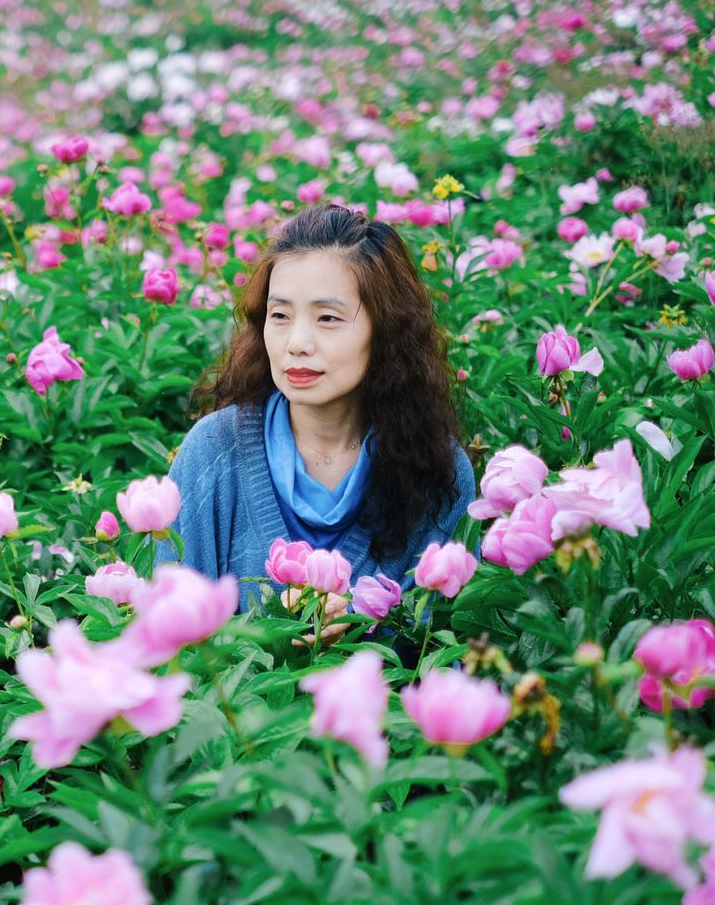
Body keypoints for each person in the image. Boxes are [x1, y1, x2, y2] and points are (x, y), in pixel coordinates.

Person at [154, 203, 475, 615]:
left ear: (386, 330)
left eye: (327, 317)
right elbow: (167, 633)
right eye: (280, 315)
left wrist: (363, 627)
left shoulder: (436, 468)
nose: (297, 342)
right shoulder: (214, 452)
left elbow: (450, 649)